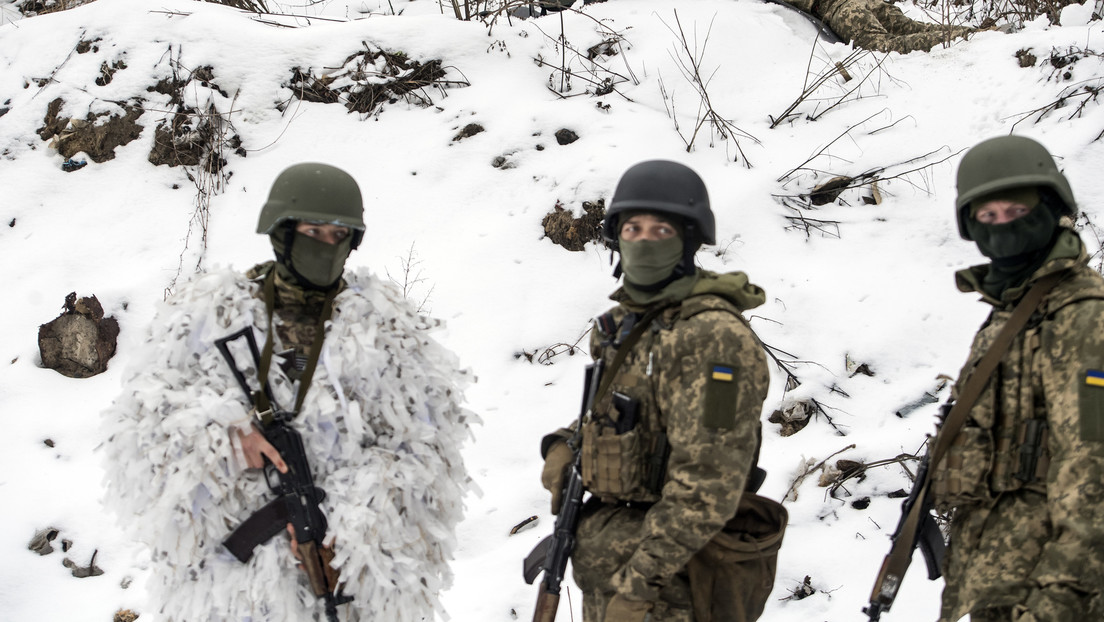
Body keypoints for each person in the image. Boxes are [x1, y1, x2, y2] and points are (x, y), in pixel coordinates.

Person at [102, 163, 475, 622]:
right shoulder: (213, 314)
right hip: (238, 578)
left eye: (337, 234)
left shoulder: (386, 329)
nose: (325, 243)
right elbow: (141, 422)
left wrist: (354, 524)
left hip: (349, 567)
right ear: (282, 232)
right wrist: (224, 438)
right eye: (312, 230)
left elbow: (429, 449)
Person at [539, 160, 785, 622]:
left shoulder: (713, 339)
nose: (644, 241)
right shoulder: (627, 326)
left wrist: (637, 591)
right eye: (632, 228)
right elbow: (616, 417)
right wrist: (566, 445)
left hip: (670, 591)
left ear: (689, 240)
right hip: (607, 577)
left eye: (661, 230)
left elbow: (708, 484)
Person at [932, 135, 1104, 621]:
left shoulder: (1082, 316)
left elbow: (1094, 472)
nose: (1004, 225)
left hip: (1055, 595)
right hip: (998, 587)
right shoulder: (1011, 314)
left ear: (1052, 207)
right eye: (988, 216)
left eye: (1018, 209)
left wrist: (1057, 600)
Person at [784, 0, 972, 53]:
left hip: (843, 10)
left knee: (885, 45)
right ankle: (976, 33)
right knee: (915, 28)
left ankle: (962, 38)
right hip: (866, 3)